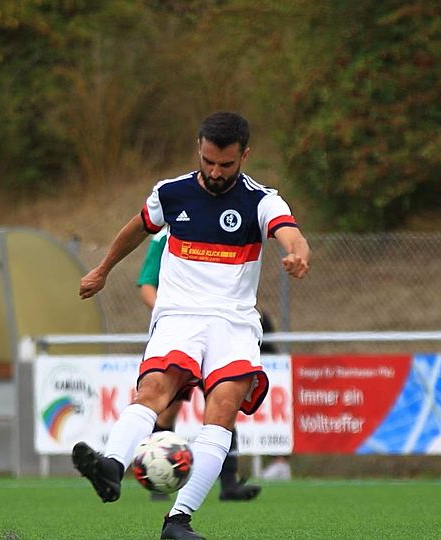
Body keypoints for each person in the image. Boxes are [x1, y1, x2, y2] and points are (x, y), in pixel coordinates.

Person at [73, 112, 310, 540]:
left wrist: (297, 254)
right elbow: (135, 229)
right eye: (208, 161)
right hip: (178, 316)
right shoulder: (171, 193)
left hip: (233, 323)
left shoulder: (262, 201)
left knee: (222, 411)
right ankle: (111, 466)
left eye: (226, 164)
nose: (216, 172)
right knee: (154, 391)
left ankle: (178, 521)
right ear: (198, 149)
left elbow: (291, 233)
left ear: (244, 156)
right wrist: (103, 269)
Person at [136, 227, 262, 503]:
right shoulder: (164, 236)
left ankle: (228, 484)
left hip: (218, 335)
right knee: (167, 409)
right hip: (182, 335)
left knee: (223, 405)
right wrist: (172, 315)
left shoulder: (216, 228)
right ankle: (159, 479)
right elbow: (147, 284)